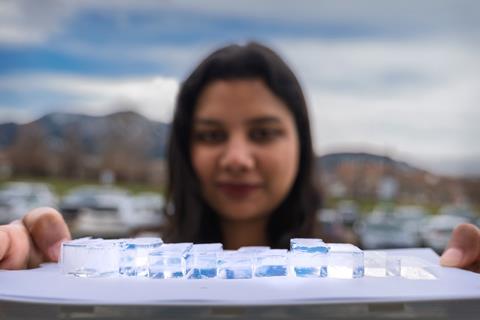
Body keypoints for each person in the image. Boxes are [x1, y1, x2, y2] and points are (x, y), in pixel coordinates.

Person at [0, 42, 479, 272]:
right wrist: (26, 276)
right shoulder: (120, 268)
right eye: (210, 135)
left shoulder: (372, 272)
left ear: (301, 144)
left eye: (264, 133)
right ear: (184, 149)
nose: (236, 158)